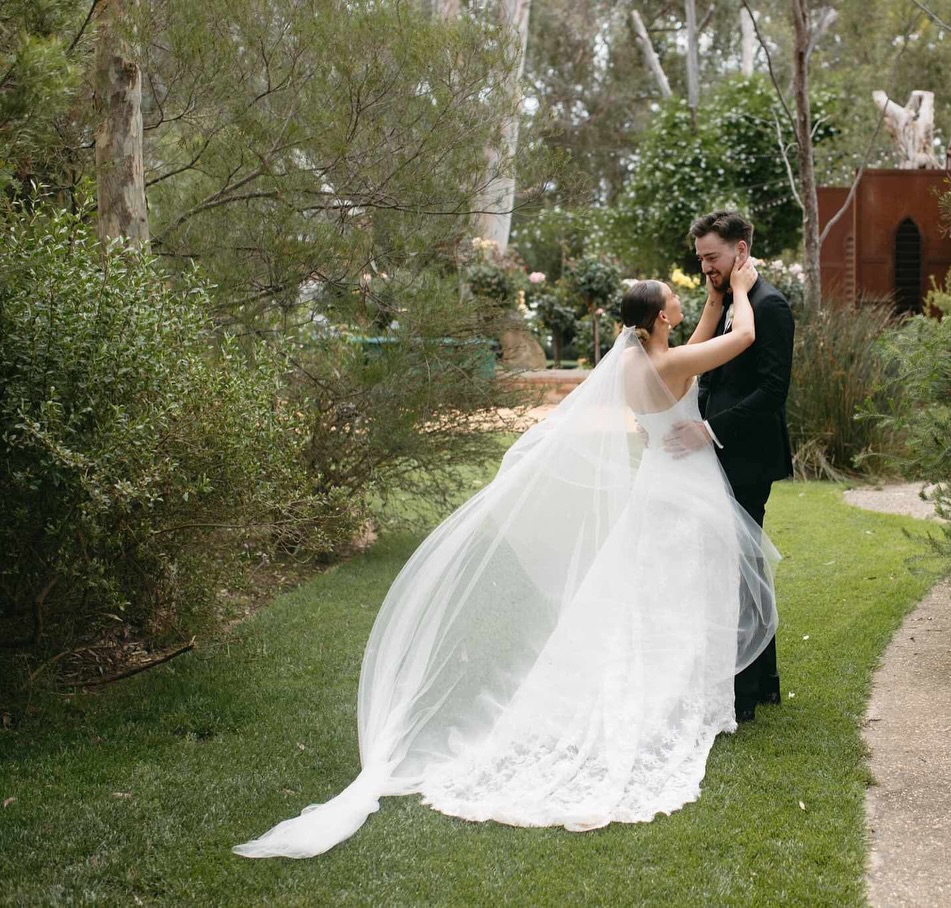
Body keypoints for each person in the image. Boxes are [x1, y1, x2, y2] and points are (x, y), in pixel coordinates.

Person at [233, 261, 778, 858]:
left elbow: (694, 343)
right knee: (682, 591)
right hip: (682, 483)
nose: (683, 302)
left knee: (647, 594)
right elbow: (741, 338)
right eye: (675, 299)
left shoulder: (633, 361)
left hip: (657, 480)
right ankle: (678, 700)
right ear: (658, 319)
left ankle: (672, 689)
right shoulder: (668, 363)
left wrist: (710, 299)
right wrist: (743, 293)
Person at [665, 211, 795, 722]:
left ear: (740, 251)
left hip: (746, 456)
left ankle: (746, 694)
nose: (704, 269)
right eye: (699, 260)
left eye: (712, 258)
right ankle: (758, 684)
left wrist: (709, 430)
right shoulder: (722, 302)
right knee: (731, 568)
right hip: (710, 456)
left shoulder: (772, 306)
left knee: (742, 570)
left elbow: (771, 392)